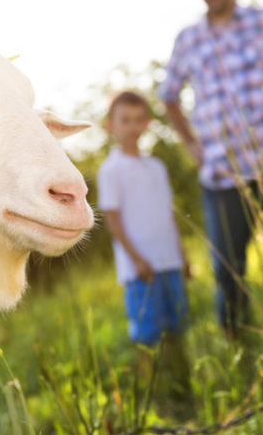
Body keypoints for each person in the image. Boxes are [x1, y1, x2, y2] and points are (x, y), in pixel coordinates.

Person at [158, 0, 263, 338]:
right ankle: (239, 341)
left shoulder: (259, 21)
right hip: (221, 173)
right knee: (227, 267)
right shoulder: (188, 39)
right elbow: (168, 96)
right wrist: (191, 146)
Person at [97, 91, 190, 387]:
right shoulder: (110, 170)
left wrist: (183, 254)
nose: (132, 127)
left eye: (139, 120)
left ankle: (182, 380)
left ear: (148, 123)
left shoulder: (157, 168)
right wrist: (137, 259)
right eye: (125, 120)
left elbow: (169, 214)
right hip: (140, 268)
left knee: (178, 324)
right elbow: (113, 221)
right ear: (110, 125)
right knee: (147, 333)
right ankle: (152, 389)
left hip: (170, 261)